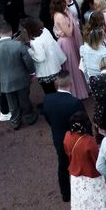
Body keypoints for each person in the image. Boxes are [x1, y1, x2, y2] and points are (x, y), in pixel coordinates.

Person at [41, 70, 86, 202]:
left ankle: (65, 194)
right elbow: (84, 122)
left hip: (59, 138)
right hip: (75, 139)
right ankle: (82, 192)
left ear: (56, 84)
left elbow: (48, 118)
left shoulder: (48, 99)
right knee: (80, 164)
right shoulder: (75, 102)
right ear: (70, 84)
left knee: (62, 165)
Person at [0, 20, 36, 130]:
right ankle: (30, 117)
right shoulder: (18, 45)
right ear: (10, 32)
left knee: (12, 104)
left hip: (5, 82)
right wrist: (31, 73)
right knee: (24, 100)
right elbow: (28, 62)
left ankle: (15, 122)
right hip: (22, 79)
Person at [51, 0, 89, 100]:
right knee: (73, 66)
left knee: (76, 63)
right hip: (67, 43)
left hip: (70, 41)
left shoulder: (64, 11)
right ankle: (75, 91)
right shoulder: (60, 16)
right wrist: (72, 22)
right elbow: (68, 32)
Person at [22, 17, 66, 95]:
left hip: (46, 71)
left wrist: (29, 50)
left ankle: (51, 104)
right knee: (54, 89)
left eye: (24, 28)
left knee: (49, 91)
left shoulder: (35, 42)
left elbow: (40, 58)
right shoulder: (44, 30)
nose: (23, 30)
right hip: (54, 64)